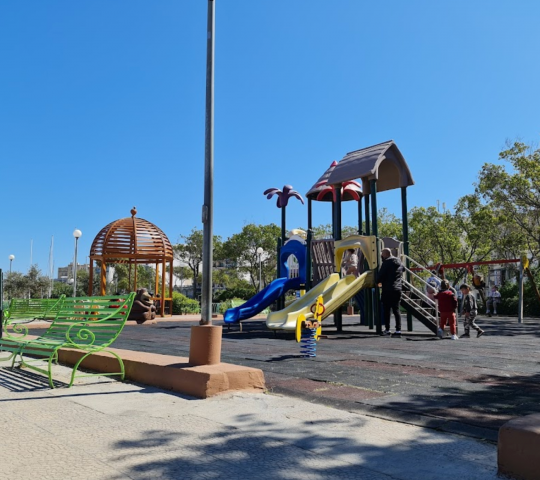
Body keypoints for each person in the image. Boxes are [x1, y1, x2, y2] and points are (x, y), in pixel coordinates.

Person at [376, 248, 404, 338]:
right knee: (396, 310)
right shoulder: (399, 261)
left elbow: (380, 275)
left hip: (387, 289)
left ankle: (387, 329)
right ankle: (398, 330)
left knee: (387, 310)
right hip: (397, 288)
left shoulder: (386, 263)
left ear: (385, 255)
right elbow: (403, 269)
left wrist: (376, 281)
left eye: (382, 255)